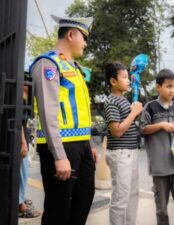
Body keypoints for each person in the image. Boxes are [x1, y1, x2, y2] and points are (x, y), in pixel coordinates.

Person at [30, 15, 98, 225]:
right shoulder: (48, 64)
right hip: (60, 146)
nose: (86, 44)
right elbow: (48, 112)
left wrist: (89, 143)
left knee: (83, 200)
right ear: (71, 34)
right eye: (84, 38)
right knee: (59, 208)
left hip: (81, 146)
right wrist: (59, 155)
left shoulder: (74, 68)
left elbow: (80, 111)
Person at [140, 69, 174, 225]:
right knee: (161, 209)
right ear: (158, 87)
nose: (173, 90)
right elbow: (142, 129)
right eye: (169, 86)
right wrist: (161, 125)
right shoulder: (150, 107)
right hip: (160, 167)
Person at [104, 62, 143, 225]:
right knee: (120, 200)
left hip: (131, 152)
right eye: (124, 77)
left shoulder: (125, 100)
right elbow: (117, 131)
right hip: (120, 154)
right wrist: (133, 113)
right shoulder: (111, 101)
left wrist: (134, 111)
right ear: (113, 81)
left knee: (133, 195)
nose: (128, 80)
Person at [18, 85, 41, 218]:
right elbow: (18, 122)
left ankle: (20, 198)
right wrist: (23, 143)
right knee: (22, 173)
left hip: (22, 138)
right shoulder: (20, 96)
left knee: (23, 172)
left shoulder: (25, 97)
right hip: (20, 140)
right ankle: (20, 204)